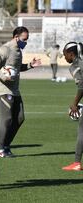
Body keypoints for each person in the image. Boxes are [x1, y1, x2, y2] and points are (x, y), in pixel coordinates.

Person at [0, 26, 41, 158]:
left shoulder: (18, 50)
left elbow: (16, 68)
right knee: (6, 118)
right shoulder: (6, 49)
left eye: (27, 40)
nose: (26, 42)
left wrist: (30, 65)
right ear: (16, 37)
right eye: (24, 39)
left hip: (14, 90)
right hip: (3, 89)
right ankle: (0, 150)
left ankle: (6, 146)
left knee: (20, 118)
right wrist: (3, 77)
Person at [62, 42, 83, 171]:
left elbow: (82, 86)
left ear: (71, 54)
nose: (64, 57)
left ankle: (76, 163)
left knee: (82, 131)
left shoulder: (77, 66)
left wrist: (74, 104)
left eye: (65, 55)